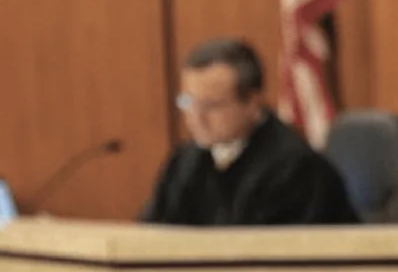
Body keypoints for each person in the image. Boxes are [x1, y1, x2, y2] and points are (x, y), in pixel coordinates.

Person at [140, 37, 359, 226]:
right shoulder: (184, 163)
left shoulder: (295, 169)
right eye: (188, 102)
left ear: (252, 104)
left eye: (211, 106)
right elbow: (151, 236)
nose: (196, 118)